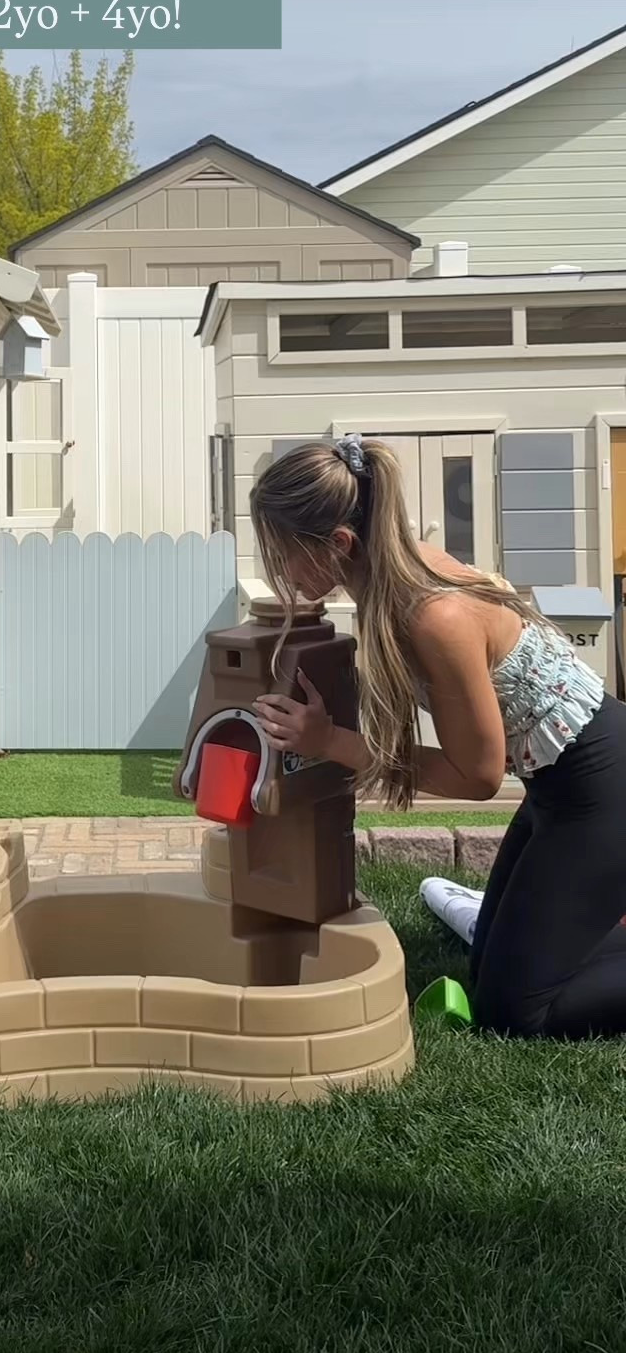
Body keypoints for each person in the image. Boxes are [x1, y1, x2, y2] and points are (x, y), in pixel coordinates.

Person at [248, 433, 626, 1040]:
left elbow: (478, 777)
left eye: (282, 551)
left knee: (516, 1012)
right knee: (487, 967)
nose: (276, 569)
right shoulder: (398, 571)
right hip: (559, 789)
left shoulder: (433, 615)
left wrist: (329, 741)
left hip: (603, 793)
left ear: (339, 544)